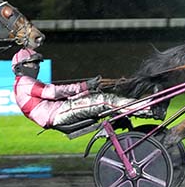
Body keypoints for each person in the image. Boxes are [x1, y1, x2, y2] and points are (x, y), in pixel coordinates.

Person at [12, 48, 152, 129]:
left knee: (99, 96)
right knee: (104, 100)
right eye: (32, 63)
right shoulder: (25, 82)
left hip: (58, 110)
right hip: (56, 114)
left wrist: (88, 90)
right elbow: (53, 93)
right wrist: (84, 86)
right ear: (19, 67)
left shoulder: (26, 82)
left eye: (37, 63)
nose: (36, 66)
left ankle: (138, 109)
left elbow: (61, 98)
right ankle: (148, 109)